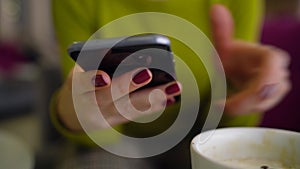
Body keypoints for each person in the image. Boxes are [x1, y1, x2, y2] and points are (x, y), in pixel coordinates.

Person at [51, 0, 290, 168]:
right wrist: (74, 114)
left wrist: (236, 89)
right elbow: (95, 135)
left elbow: (228, 135)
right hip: (114, 146)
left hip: (202, 136)